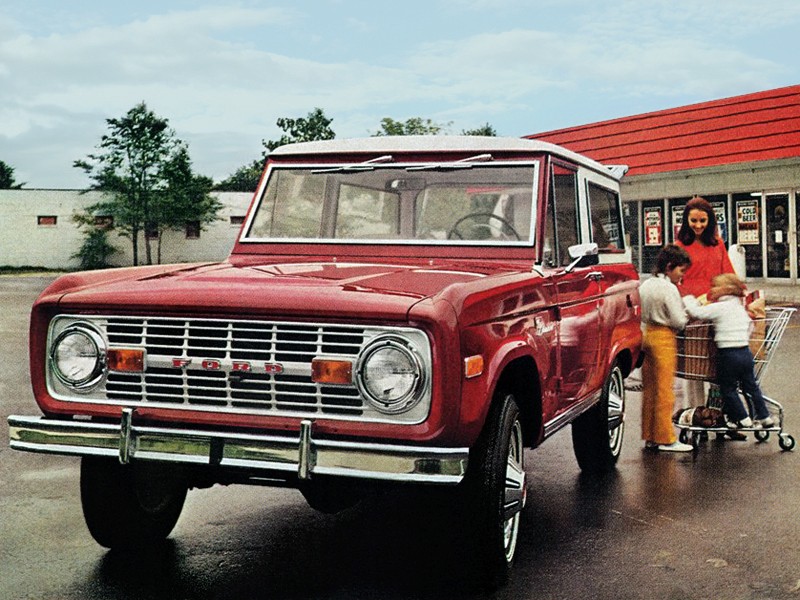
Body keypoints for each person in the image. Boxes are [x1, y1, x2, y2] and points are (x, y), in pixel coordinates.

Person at [683, 273, 774, 429]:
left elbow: (698, 313)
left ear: (725, 290)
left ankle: (742, 417)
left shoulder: (720, 307)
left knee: (727, 388)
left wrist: (688, 300)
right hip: (744, 352)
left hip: (728, 354)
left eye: (715, 286)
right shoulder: (739, 307)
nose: (712, 289)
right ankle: (764, 416)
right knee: (750, 386)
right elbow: (749, 326)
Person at [675, 196, 736, 412]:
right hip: (693, 311)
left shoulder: (718, 244)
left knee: (720, 366)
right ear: (686, 220)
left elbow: (728, 273)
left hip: (717, 308)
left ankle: (720, 415)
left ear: (710, 220)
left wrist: (735, 295)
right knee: (695, 367)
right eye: (694, 221)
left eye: (703, 220)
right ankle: (698, 414)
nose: (698, 225)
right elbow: (675, 279)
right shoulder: (680, 246)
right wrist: (688, 301)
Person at [640, 244, 693, 452]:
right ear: (670, 267)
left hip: (646, 334)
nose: (682, 275)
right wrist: (687, 315)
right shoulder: (669, 288)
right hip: (663, 337)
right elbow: (678, 319)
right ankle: (666, 437)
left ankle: (650, 435)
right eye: (681, 270)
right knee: (664, 390)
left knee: (650, 390)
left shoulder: (646, 285)